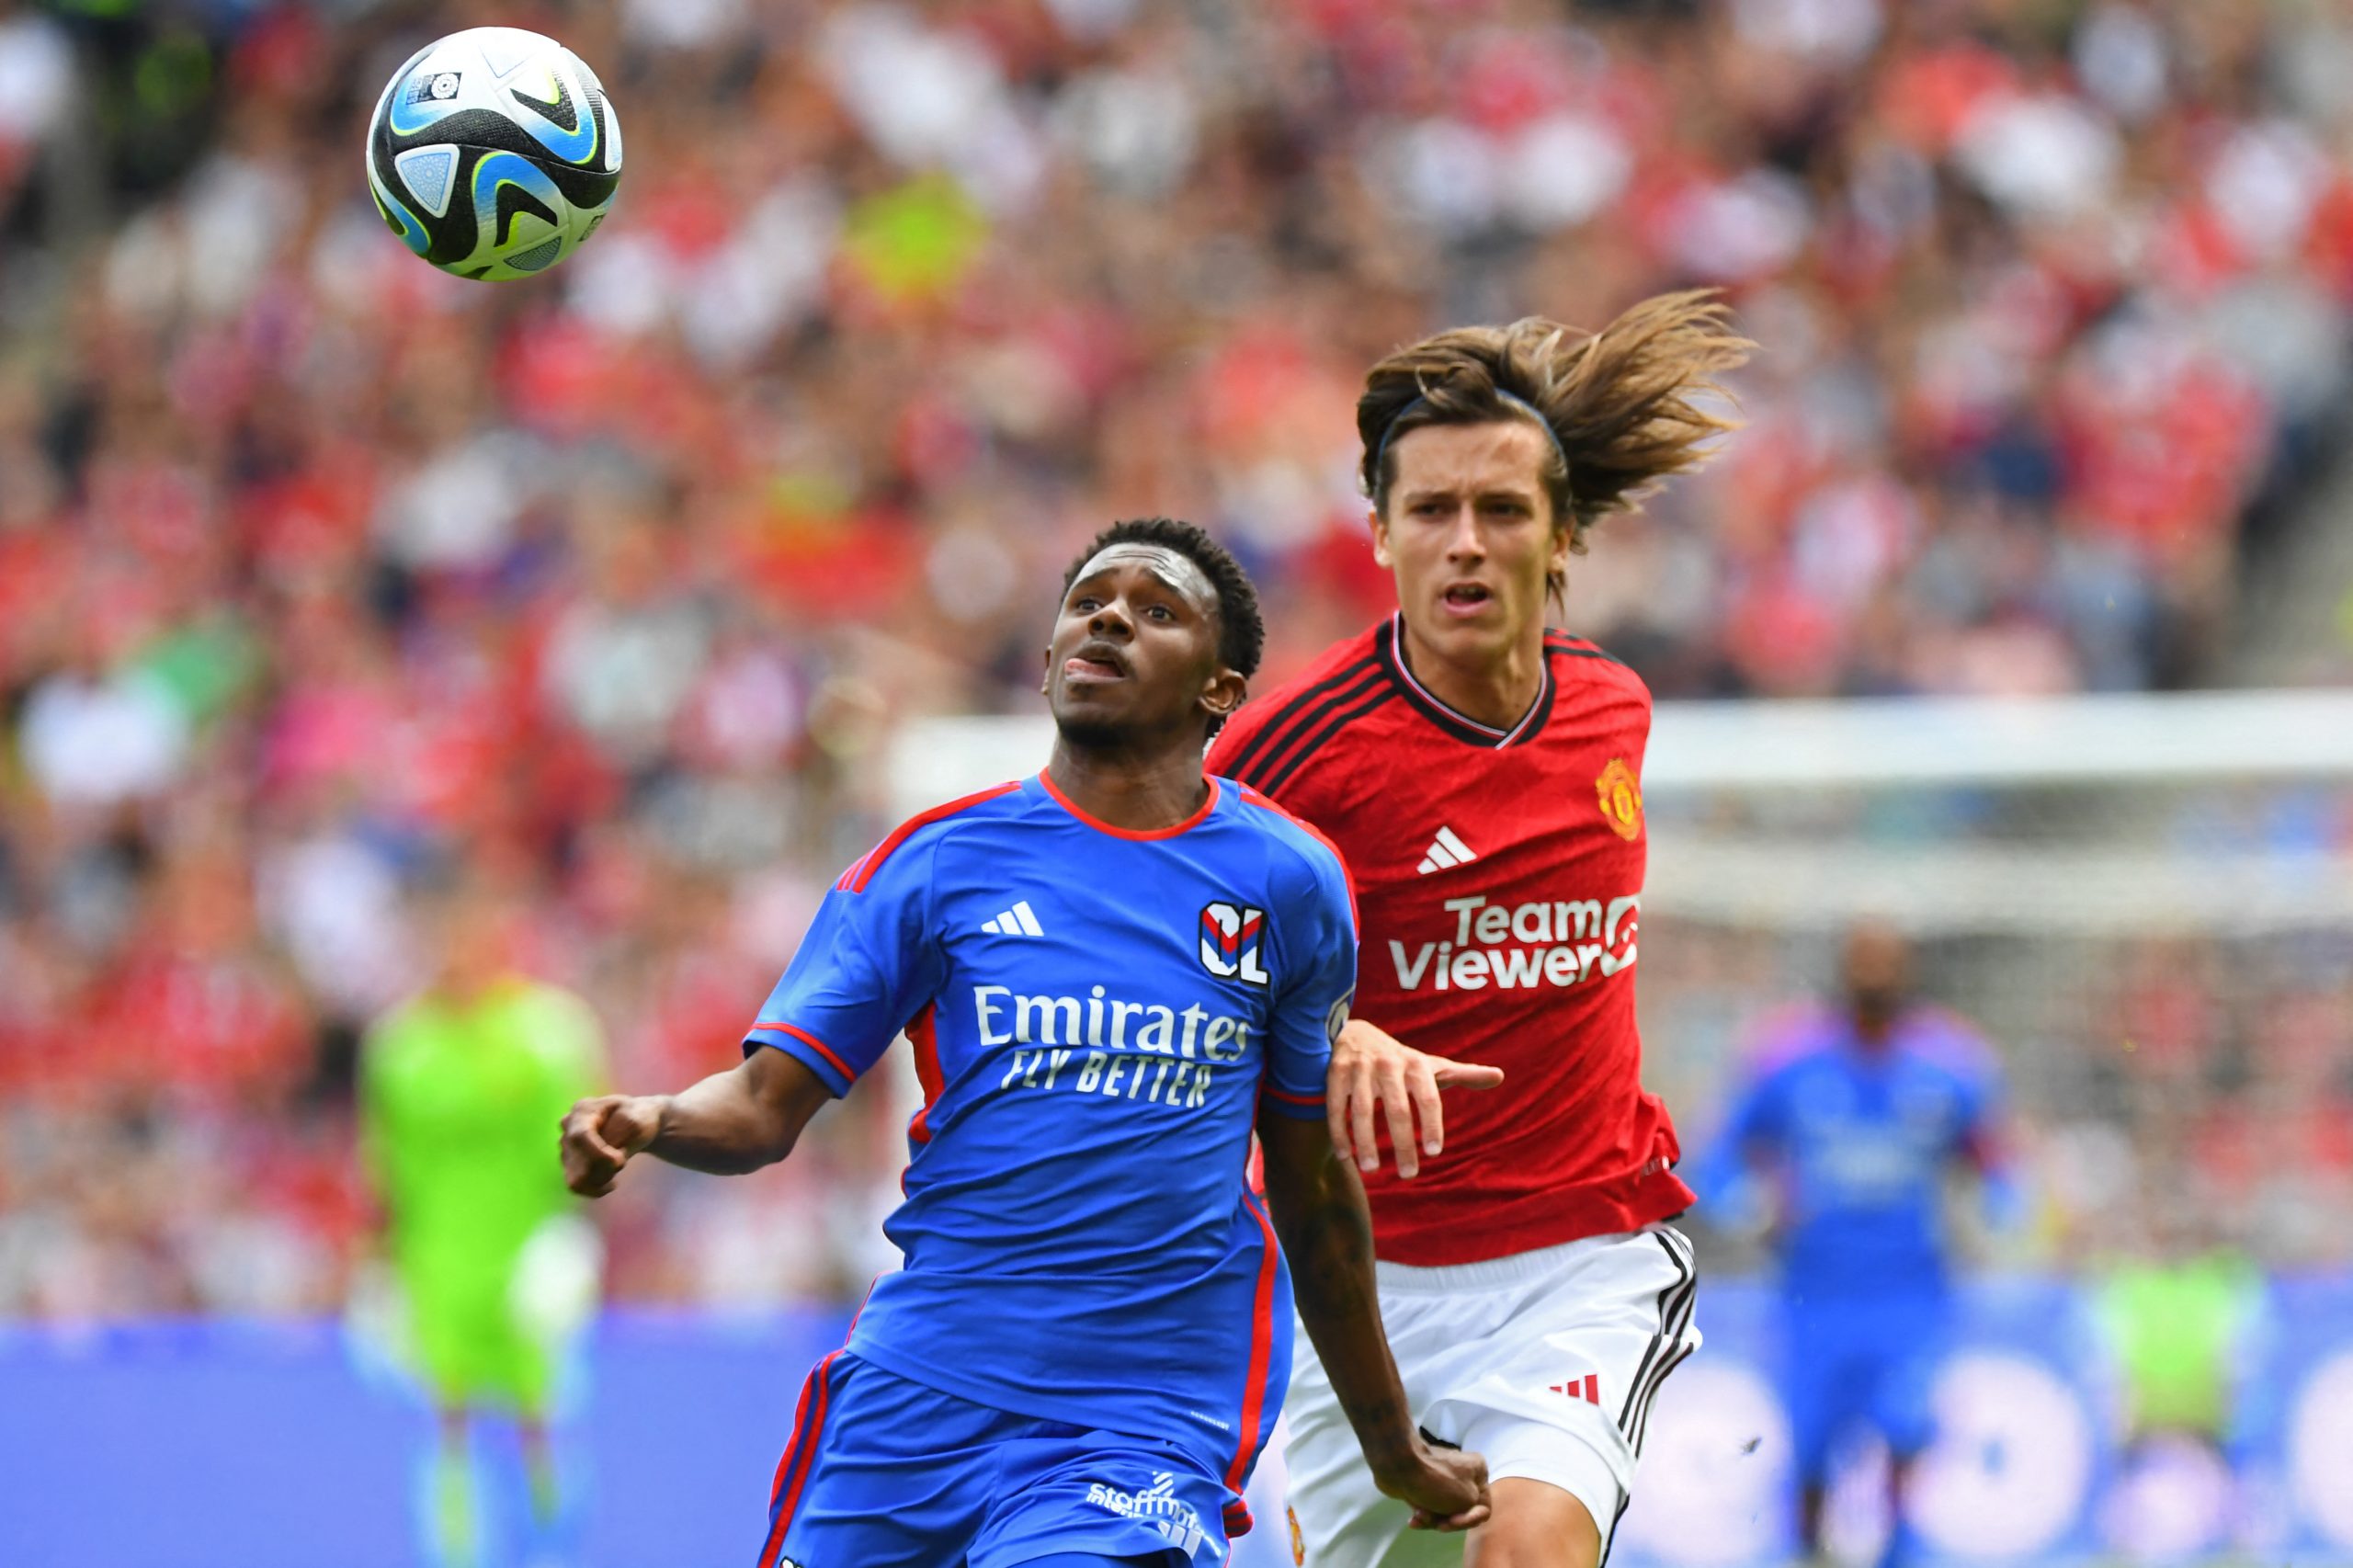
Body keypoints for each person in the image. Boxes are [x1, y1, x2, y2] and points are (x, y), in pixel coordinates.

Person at [560, 517, 1489, 1568]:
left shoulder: (1287, 882)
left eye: (1155, 609)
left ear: (1219, 688)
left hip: (1138, 1414)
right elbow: (763, 1109)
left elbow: (1313, 1179)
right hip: (920, 1389)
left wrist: (1389, 1442)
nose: (1108, 618)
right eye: (1089, 601)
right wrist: (651, 1117)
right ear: (1048, 660)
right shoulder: (933, 865)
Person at [1207, 294, 1750, 1568]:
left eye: (1501, 511)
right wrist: (1328, 1038)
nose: (1465, 543)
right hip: (1356, 1291)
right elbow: (1158, 955)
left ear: (1561, 536)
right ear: (1382, 534)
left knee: (1529, 1551)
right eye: (1431, 511)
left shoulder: (1614, 709)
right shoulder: (1295, 753)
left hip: (1580, 1259)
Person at [1706, 922, 2013, 1568]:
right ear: (1842, 976)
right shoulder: (1790, 1060)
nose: (1875, 983)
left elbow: (1995, 1162)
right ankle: (1809, 1553)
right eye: (1863, 969)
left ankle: (1898, 1553)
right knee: (1812, 1447)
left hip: (1910, 1292)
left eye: (1887, 968)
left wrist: (2002, 1209)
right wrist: (1748, 1203)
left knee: (1906, 1433)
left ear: (1908, 976)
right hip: (1813, 1292)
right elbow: (1720, 1159)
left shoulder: (1949, 1064)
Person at [360, 874, 607, 1568]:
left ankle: (555, 1552)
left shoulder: (548, 1031)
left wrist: (572, 1239)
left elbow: (588, 1150)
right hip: (437, 1261)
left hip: (526, 1256)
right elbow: (387, 1167)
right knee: (448, 1421)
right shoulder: (399, 1045)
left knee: (540, 1419)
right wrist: (377, 1266)